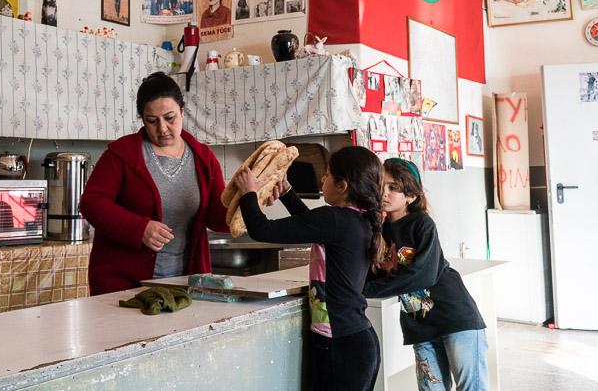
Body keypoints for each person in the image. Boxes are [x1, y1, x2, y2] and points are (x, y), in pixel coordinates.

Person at [234, 146, 385, 391]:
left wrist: (248, 193)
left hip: (339, 344)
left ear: (342, 185)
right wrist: (288, 194)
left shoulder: (334, 219)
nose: (322, 179)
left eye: (327, 174)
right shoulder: (359, 218)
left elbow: (262, 229)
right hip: (357, 340)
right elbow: (311, 224)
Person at [79, 72, 230, 295]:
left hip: (184, 285)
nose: (162, 129)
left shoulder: (204, 159)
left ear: (182, 111)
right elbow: (91, 203)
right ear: (143, 119)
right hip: (124, 285)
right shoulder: (123, 154)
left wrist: (248, 202)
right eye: (152, 121)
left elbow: (217, 217)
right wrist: (139, 229)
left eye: (170, 118)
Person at [365, 158, 487, 391]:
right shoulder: (378, 230)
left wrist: (363, 291)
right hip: (419, 326)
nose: (384, 193)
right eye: (382, 185)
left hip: (455, 318)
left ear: (411, 196)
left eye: (393, 188)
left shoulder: (421, 223)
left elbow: (423, 274)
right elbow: (374, 273)